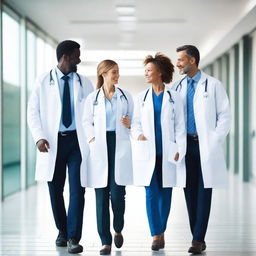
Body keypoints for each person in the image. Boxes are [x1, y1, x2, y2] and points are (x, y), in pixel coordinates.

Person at [27, 40, 93, 254]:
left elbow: (92, 113)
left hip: (76, 142)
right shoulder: (43, 81)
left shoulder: (84, 82)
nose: (79, 60)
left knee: (77, 189)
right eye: (76, 56)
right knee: (55, 189)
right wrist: (38, 137)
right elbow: (33, 112)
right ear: (65, 57)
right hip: (52, 142)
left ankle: (74, 236)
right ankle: (62, 231)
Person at [174, 45, 231, 254]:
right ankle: (197, 236)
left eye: (180, 60)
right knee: (189, 192)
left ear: (192, 60)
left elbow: (224, 116)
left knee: (204, 191)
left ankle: (197, 239)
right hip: (185, 145)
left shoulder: (213, 85)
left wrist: (214, 139)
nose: (177, 63)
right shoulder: (177, 87)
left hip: (205, 144)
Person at [131, 53, 186, 251]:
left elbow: (180, 124)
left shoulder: (175, 97)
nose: (146, 74)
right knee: (151, 194)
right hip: (148, 153)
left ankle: (161, 230)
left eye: (149, 70)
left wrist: (180, 147)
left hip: (168, 152)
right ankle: (156, 234)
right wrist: (138, 135)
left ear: (160, 73)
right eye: (145, 71)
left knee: (165, 194)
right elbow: (135, 123)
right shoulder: (141, 98)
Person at [82, 60, 133, 255]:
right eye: (114, 72)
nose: (117, 75)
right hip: (100, 147)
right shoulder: (92, 98)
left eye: (118, 72)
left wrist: (129, 124)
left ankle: (118, 227)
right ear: (103, 73)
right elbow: (86, 122)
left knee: (118, 194)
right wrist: (93, 138)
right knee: (101, 195)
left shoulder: (125, 97)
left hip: (118, 146)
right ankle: (105, 240)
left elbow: (134, 121)